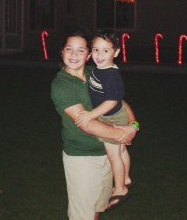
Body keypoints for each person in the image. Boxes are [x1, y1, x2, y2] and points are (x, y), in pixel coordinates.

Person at [51, 26, 139, 220]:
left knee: (96, 210)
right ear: (62, 51)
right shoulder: (62, 85)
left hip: (107, 155)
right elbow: (86, 124)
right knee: (83, 215)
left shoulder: (97, 73)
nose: (74, 54)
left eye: (80, 50)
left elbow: (119, 101)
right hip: (83, 158)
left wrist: (132, 125)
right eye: (69, 49)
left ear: (88, 54)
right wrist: (121, 134)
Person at [74, 29, 136, 211]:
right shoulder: (101, 70)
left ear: (116, 53)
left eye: (105, 51)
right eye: (95, 50)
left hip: (111, 117)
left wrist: (91, 115)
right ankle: (126, 177)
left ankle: (120, 188)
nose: (99, 55)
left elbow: (112, 100)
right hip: (117, 114)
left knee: (113, 155)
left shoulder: (109, 74)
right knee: (122, 150)